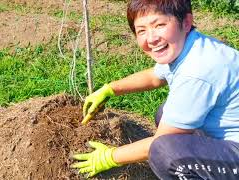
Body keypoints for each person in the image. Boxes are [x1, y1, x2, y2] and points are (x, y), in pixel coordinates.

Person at [71, 0, 239, 179]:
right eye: (141, 30)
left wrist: (109, 157)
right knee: (164, 114)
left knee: (165, 152)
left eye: (159, 25)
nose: (151, 38)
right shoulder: (191, 45)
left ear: (186, 22)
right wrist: (110, 89)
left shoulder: (197, 71)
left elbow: (161, 140)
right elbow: (154, 77)